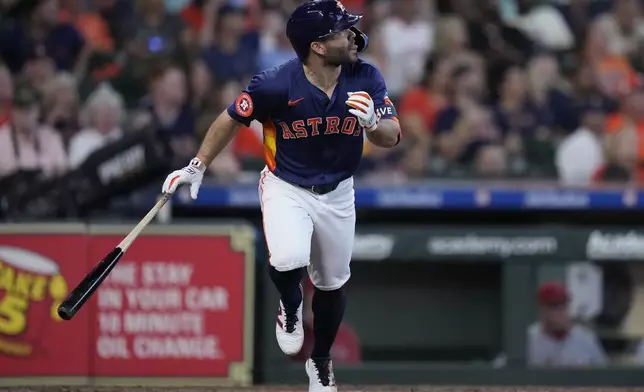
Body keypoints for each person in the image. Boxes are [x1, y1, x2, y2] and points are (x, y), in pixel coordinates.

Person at [161, 1, 401, 390]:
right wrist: (198, 165)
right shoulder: (275, 82)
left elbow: (391, 134)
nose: (353, 36)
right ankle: (290, 305)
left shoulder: (365, 75)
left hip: (339, 190)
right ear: (318, 47)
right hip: (286, 184)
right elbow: (231, 117)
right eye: (342, 31)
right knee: (290, 257)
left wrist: (373, 123)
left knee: (332, 283)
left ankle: (320, 362)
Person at [527, 281, 607, 367]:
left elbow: (603, 376)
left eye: (564, 304)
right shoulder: (529, 340)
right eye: (554, 306)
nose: (561, 311)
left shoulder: (586, 339)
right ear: (541, 309)